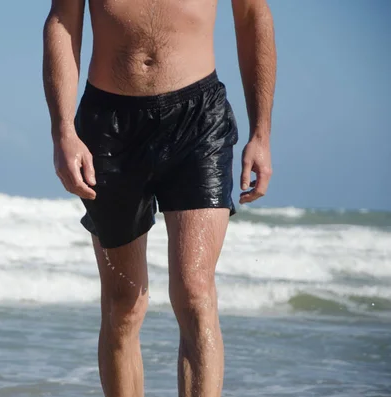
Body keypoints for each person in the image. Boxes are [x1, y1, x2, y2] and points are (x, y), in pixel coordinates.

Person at [42, 0, 276, 396]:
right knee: (123, 305)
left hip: (199, 120)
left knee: (195, 293)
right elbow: (63, 19)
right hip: (109, 124)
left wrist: (261, 132)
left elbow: (253, 15)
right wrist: (63, 130)